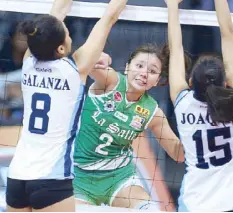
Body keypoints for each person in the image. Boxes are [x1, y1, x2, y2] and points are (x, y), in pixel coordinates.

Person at [6, 0, 129, 211]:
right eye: (67, 34)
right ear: (61, 47)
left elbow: (58, 10)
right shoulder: (75, 68)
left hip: (17, 176)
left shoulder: (28, 62)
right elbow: (109, 17)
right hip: (51, 179)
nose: (70, 36)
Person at [165, 0, 233, 211]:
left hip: (194, 204)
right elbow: (228, 34)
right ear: (225, 82)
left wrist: (172, 6)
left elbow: (176, 49)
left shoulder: (183, 104)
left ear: (190, 82)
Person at [73, 44, 185, 210]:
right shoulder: (111, 81)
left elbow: (178, 154)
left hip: (119, 178)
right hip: (79, 175)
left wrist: (195, 130)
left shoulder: (153, 112)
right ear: (126, 68)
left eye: (152, 71)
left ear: (157, 81)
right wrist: (99, 57)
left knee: (151, 210)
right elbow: (79, 58)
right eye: (139, 66)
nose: (144, 73)